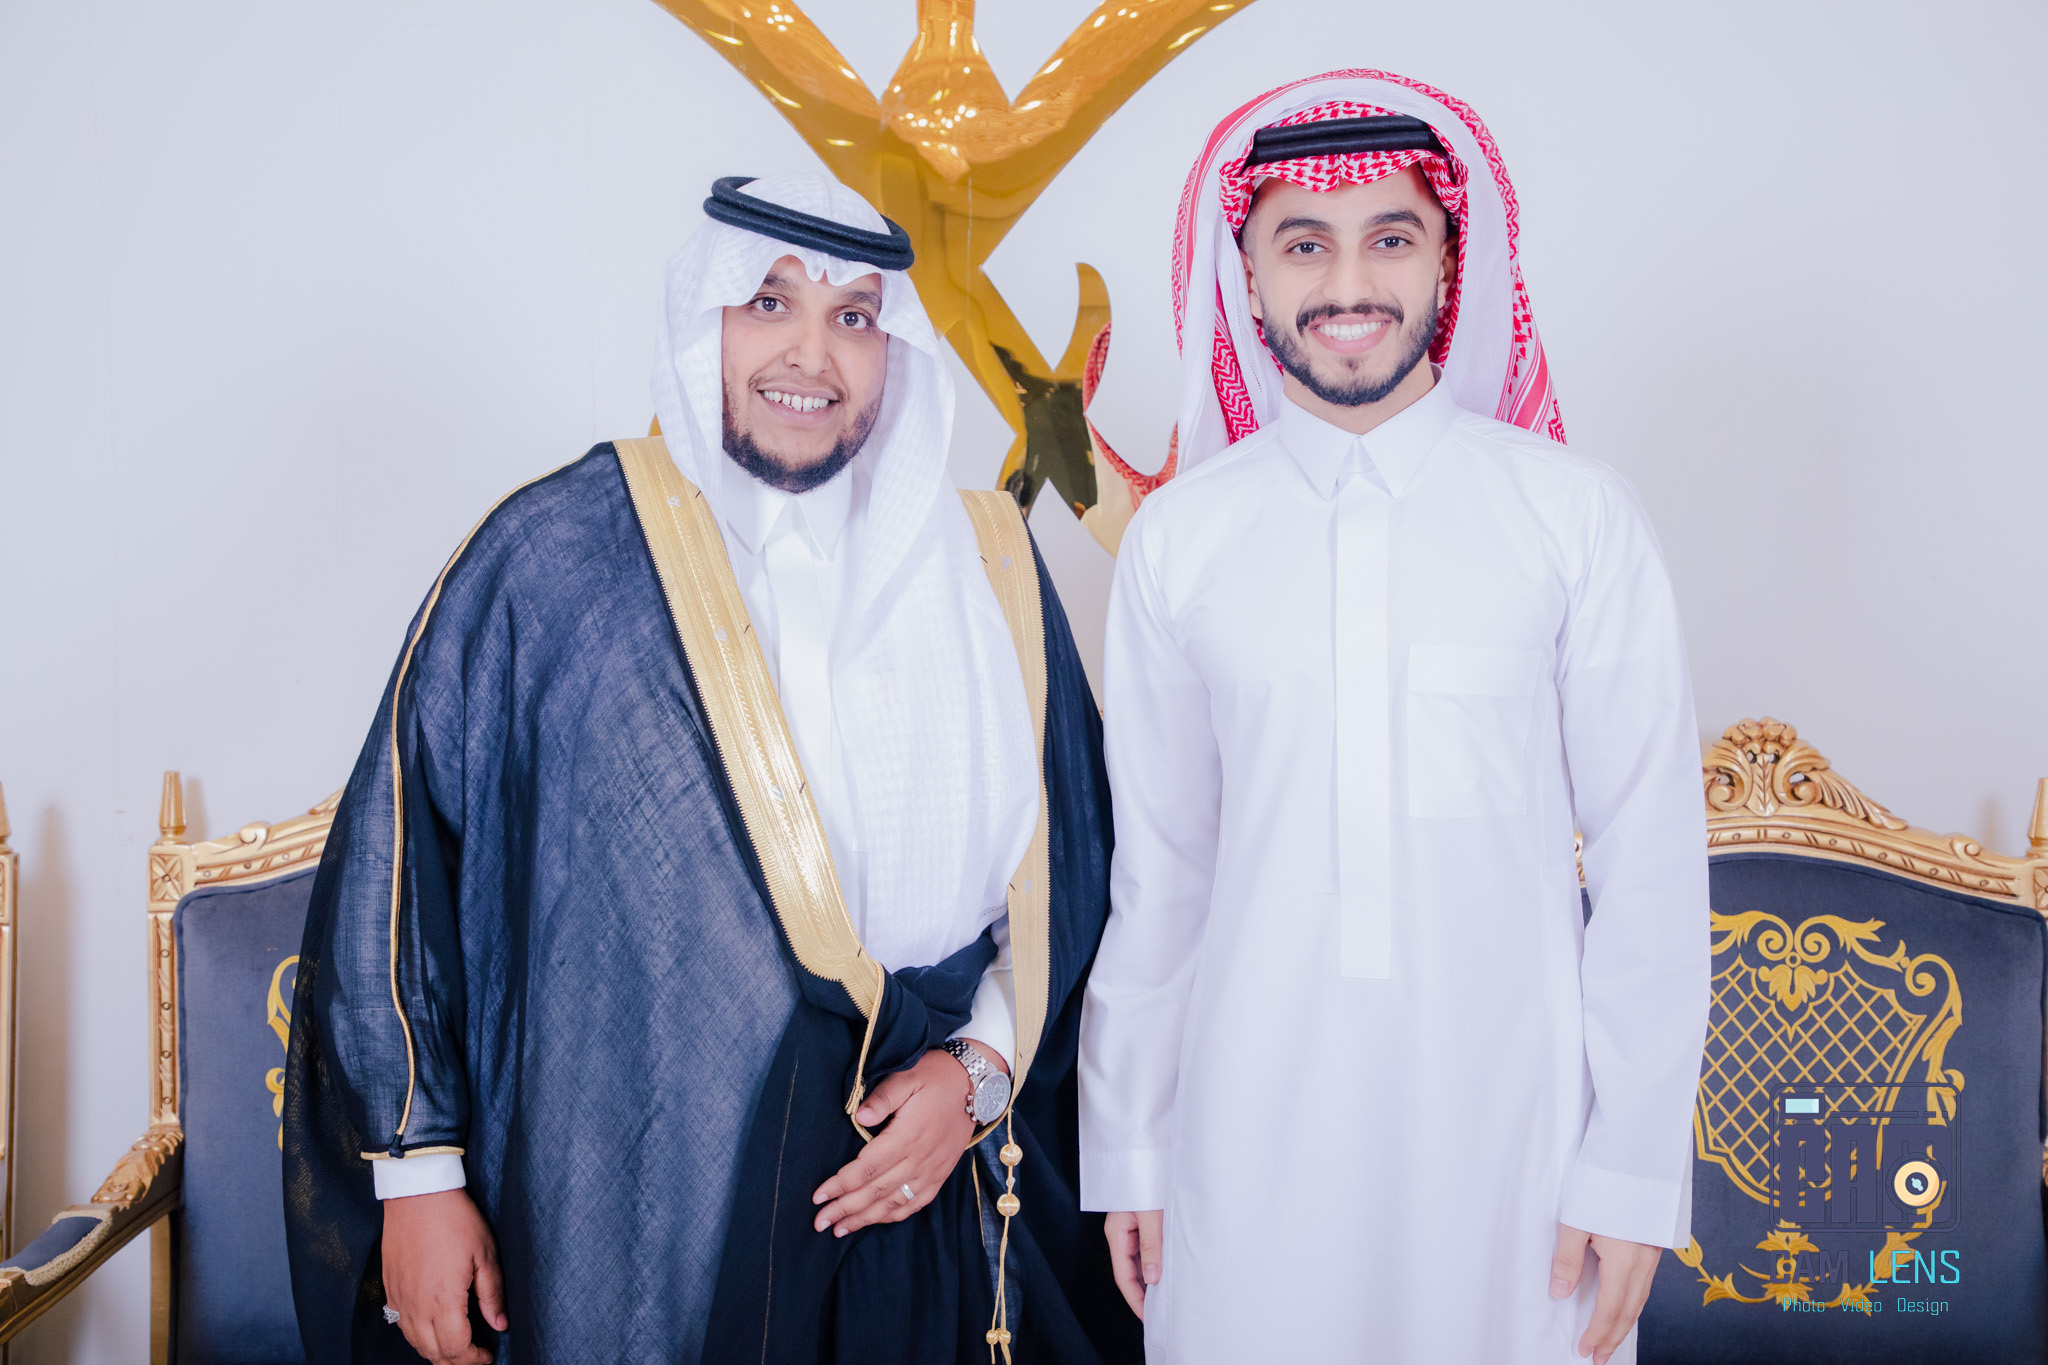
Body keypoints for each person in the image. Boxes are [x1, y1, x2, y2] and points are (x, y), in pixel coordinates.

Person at [284, 173, 1137, 1365]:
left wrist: (977, 1073)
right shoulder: (558, 561)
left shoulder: (986, 563)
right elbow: (404, 862)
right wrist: (417, 1178)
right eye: (768, 303)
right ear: (705, 320)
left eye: (852, 317)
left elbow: (1073, 871)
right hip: (657, 1181)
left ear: (891, 349)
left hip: (941, 1181)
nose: (810, 355)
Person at [1078, 71, 1710, 1365]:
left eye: (1390, 237)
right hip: (1247, 1135)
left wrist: (1633, 1165)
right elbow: (1164, 875)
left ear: (1449, 263)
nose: (1348, 282)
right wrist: (1132, 1144)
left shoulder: (1573, 517)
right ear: (1248, 274)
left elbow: (1648, 865)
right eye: (1303, 243)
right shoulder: (1180, 543)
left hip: (1517, 1148)